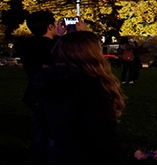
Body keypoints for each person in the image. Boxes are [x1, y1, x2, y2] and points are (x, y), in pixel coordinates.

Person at [30, 30, 128, 164]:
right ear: (91, 53)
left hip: (56, 154)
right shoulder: (90, 86)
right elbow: (103, 135)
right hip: (86, 157)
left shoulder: (47, 83)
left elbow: (41, 129)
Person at [16, 10, 58, 164]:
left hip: (34, 91)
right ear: (49, 26)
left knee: (40, 130)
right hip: (53, 92)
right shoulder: (54, 46)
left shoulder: (27, 46)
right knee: (54, 131)